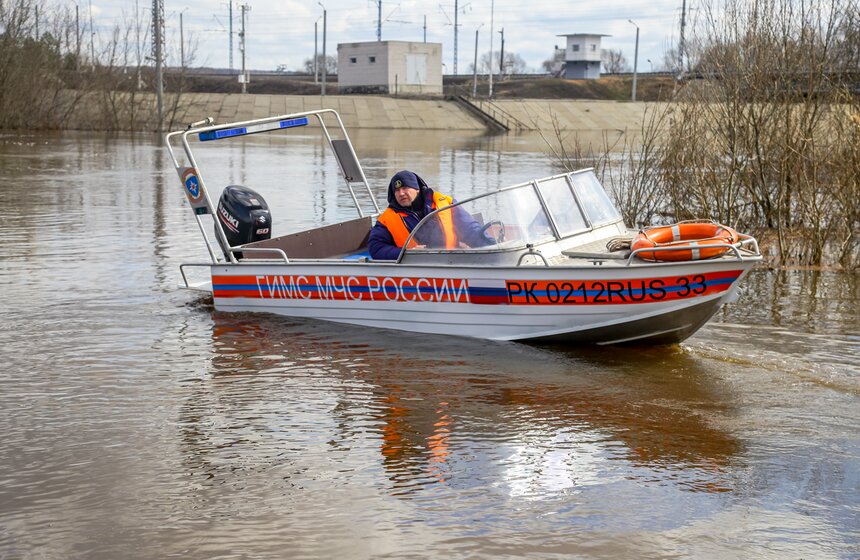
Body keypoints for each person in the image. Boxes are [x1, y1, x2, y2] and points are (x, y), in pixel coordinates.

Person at [368, 170, 493, 260]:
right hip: (414, 272)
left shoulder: (445, 204)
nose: (401, 193)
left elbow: (471, 230)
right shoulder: (387, 219)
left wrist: (493, 249)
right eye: (396, 190)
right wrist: (406, 253)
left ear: (417, 189)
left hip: (452, 263)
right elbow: (376, 249)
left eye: (405, 188)